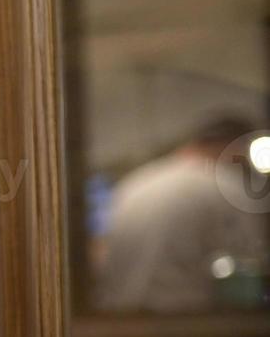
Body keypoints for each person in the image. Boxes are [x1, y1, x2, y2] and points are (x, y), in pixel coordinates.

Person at [93, 116, 265, 314]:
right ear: (237, 148)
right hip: (184, 324)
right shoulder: (225, 186)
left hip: (119, 321)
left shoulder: (137, 180)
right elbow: (247, 266)